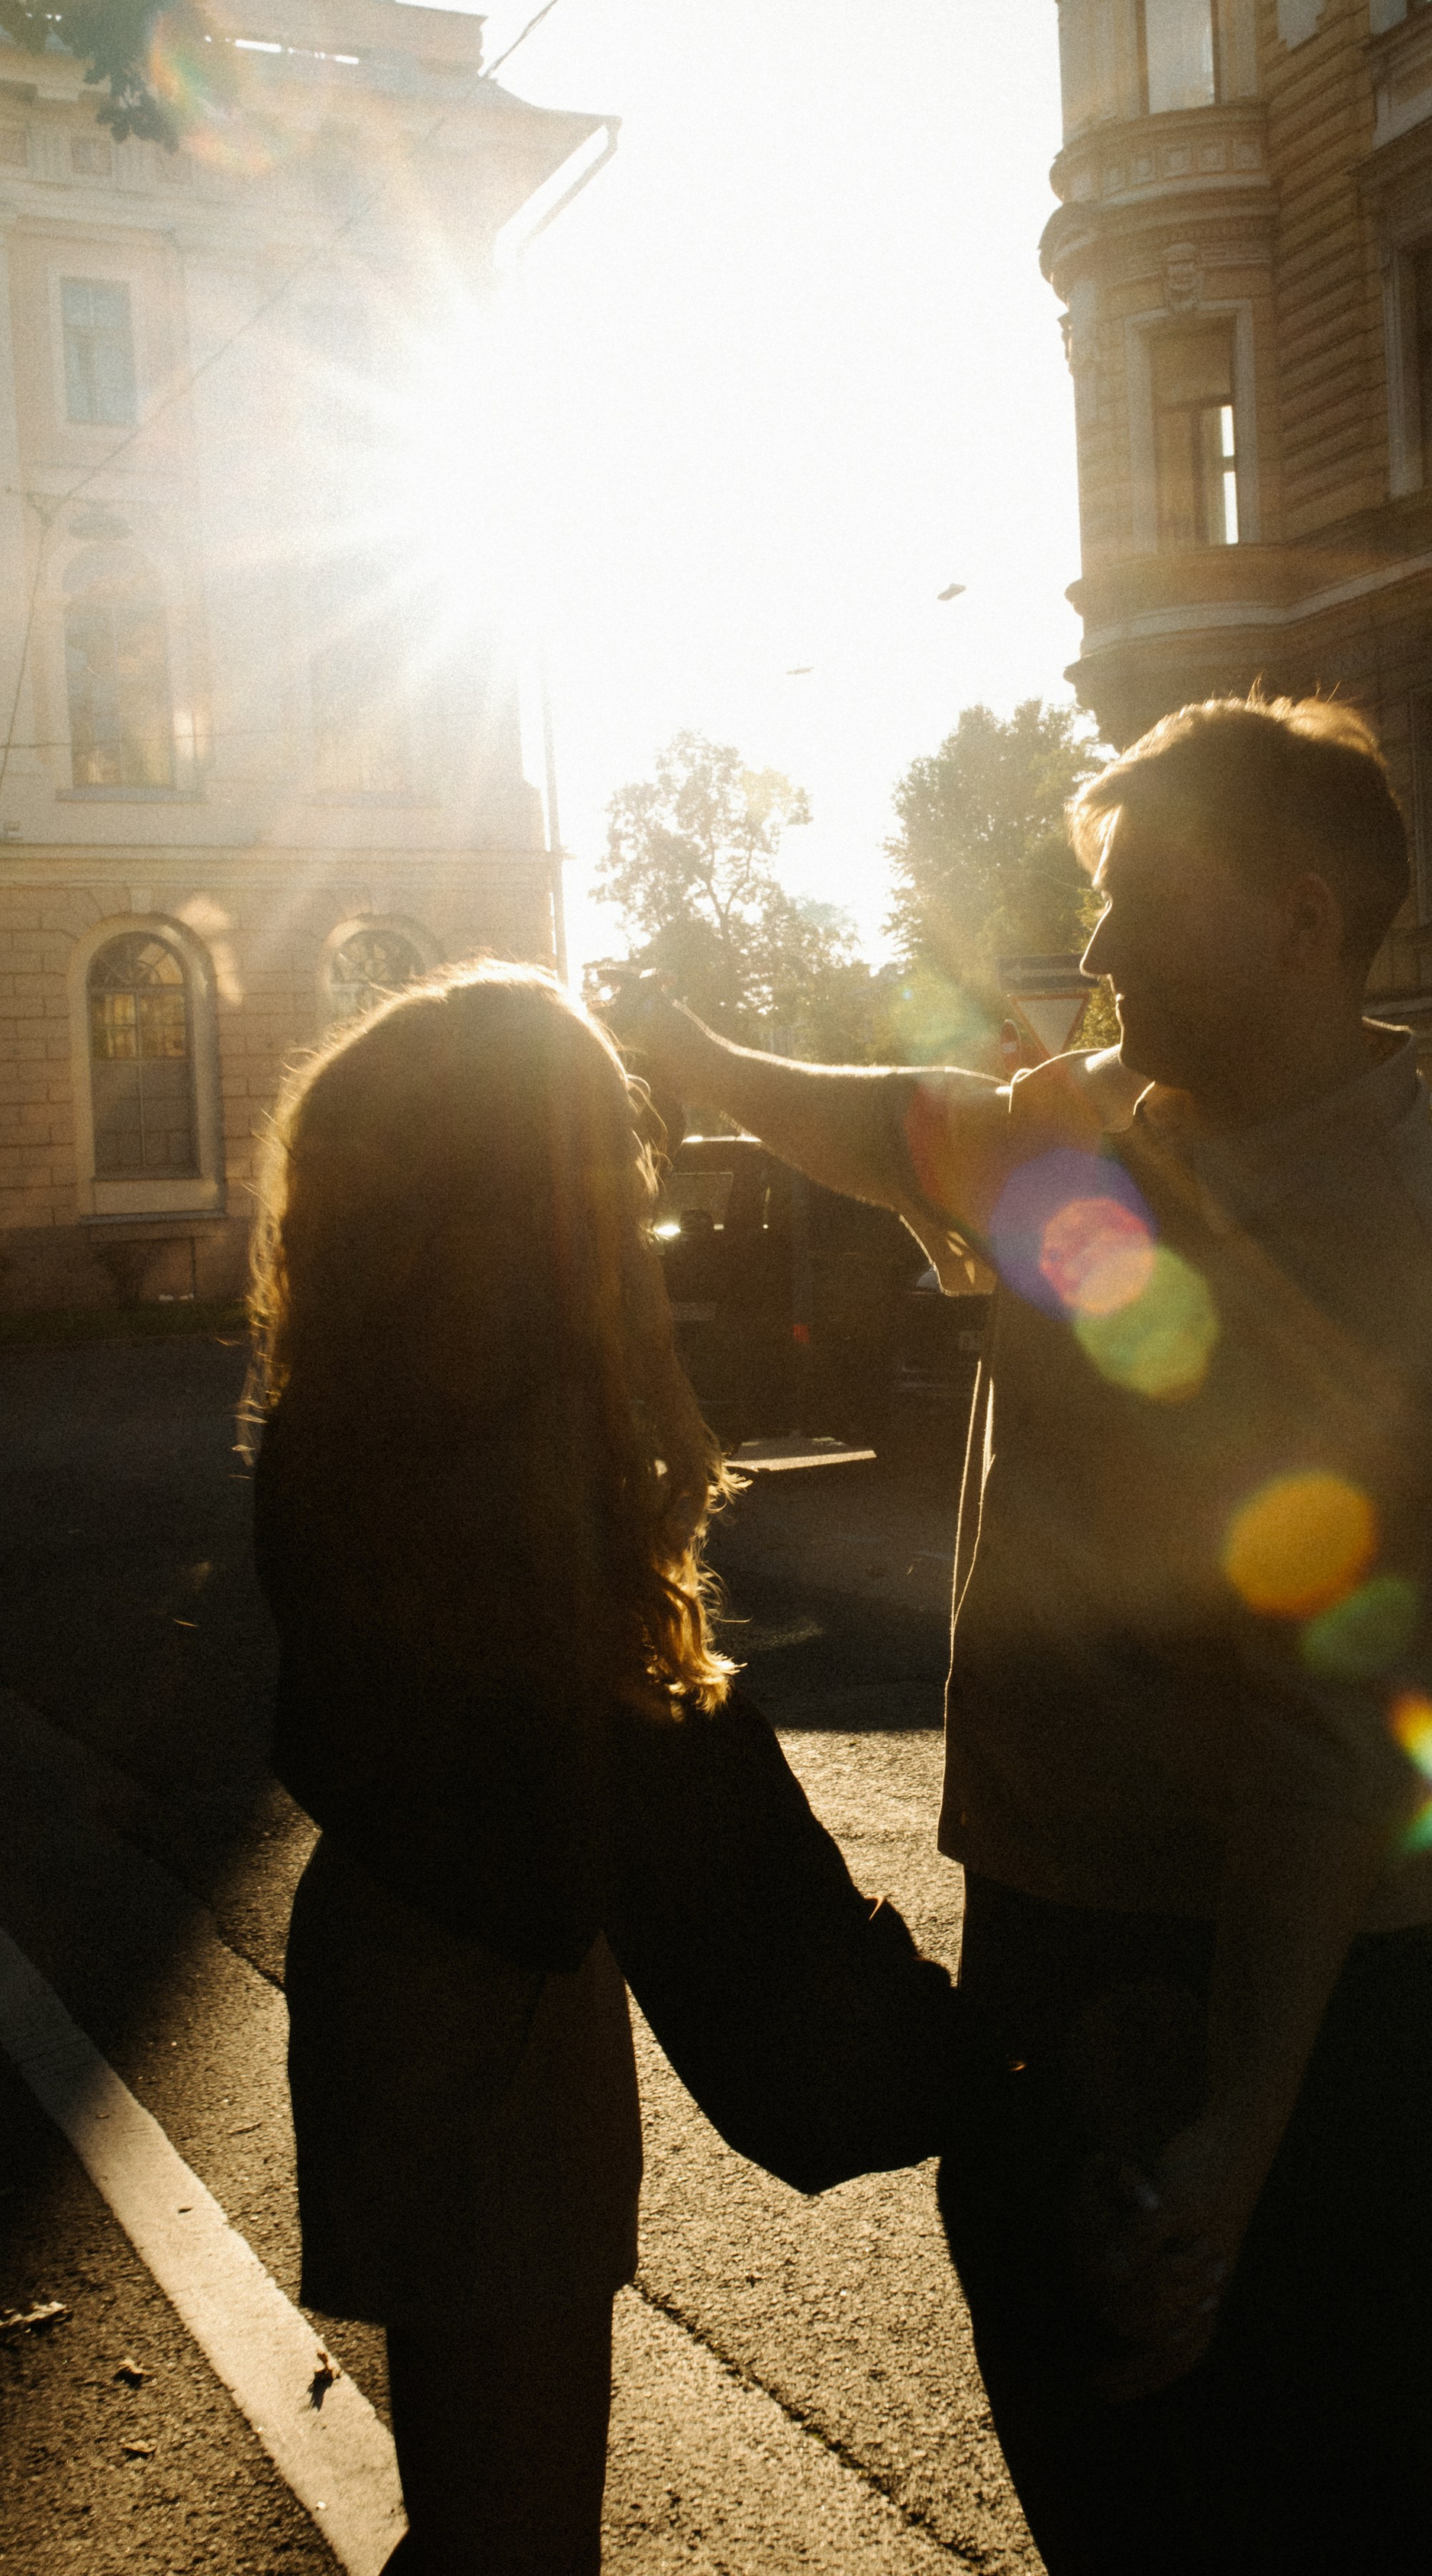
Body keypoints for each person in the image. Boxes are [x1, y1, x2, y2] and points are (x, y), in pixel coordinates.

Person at [612, 694, 1432, 2574]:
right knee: (1100, 2469)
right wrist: (692, 1053)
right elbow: (898, 1135)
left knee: (1310, 2496)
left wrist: (1228, 2139)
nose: (1097, 943)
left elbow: (1333, 1746)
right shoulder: (1111, 1124)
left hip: (1275, 1993)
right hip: (1066, 1946)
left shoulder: (1398, 1248)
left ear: (1299, 922)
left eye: (1137, 898)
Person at [250, 966, 957, 2576]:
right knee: (513, 2530)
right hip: (476, 2001)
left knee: (483, 2512)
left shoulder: (363, 1397)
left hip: (412, 1963)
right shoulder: (502, 1423)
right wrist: (921, 2049)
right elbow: (650, 1782)